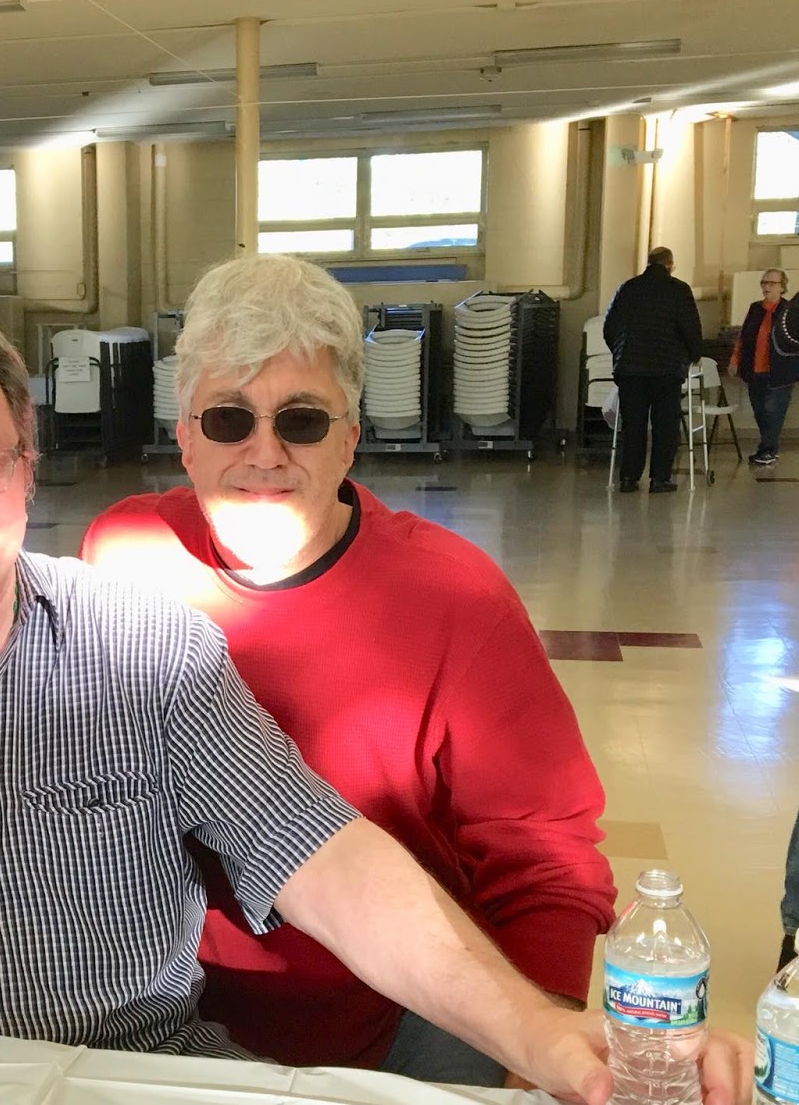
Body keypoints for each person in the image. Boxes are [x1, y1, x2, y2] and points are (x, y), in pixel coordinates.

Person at [0, 309, 750, 1105]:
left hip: (120, 1080)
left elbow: (329, 862)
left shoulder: (142, 648)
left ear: (25, 473)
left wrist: (543, 1037)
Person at [79, 254, 616, 1084]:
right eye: (228, 419)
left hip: (402, 1005)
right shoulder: (123, 553)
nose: (264, 453)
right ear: (183, 437)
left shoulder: (455, 599)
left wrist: (540, 1047)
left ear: (349, 440)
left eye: (301, 421)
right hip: (166, 1009)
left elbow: (545, 852)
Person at [603, 245, 702, 493]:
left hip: (630, 369)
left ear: (648, 263)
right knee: (665, 425)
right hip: (666, 369)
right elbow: (690, 327)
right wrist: (694, 354)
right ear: (669, 264)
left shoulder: (628, 288)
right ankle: (660, 478)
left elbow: (610, 326)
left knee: (633, 425)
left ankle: (628, 478)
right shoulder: (679, 289)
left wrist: (620, 353)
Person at [729, 268, 798, 468]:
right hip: (755, 370)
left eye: (772, 283)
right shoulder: (755, 308)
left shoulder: (790, 310)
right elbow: (743, 337)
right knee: (760, 411)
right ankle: (767, 449)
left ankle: (767, 450)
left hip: (781, 372)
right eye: (764, 283)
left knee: (773, 412)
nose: (767, 287)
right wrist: (735, 360)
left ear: (782, 287)